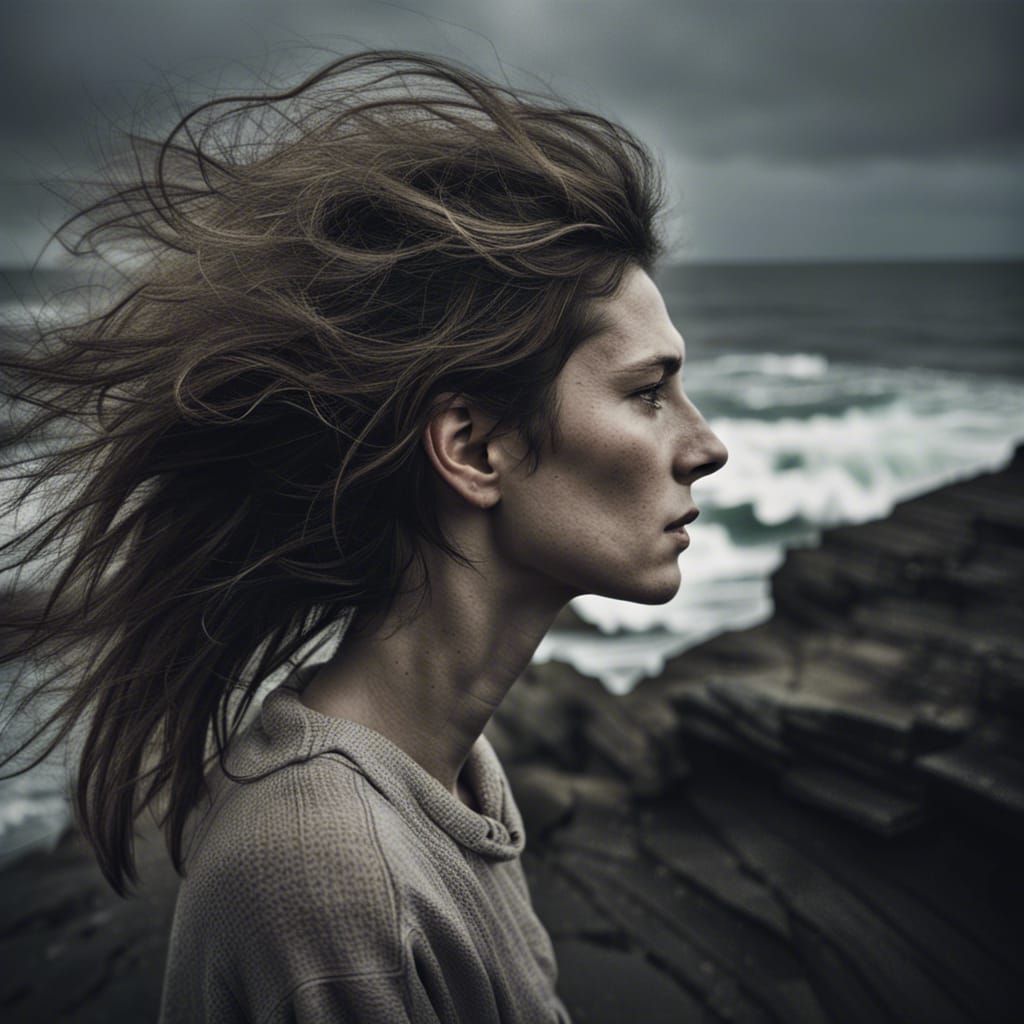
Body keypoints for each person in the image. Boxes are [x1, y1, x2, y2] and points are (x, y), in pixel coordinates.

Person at [0, 50, 727, 1022]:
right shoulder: (329, 878)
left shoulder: (448, 780)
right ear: (474, 446)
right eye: (647, 392)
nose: (705, 445)